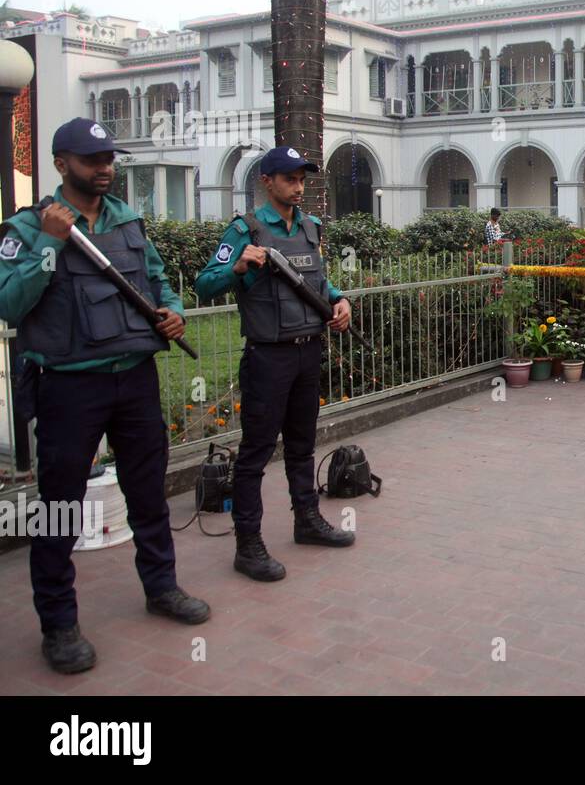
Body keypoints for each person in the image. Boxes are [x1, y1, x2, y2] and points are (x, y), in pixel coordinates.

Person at [0, 118, 210, 674]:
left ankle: (161, 587)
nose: (105, 168)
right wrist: (49, 239)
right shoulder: (26, 228)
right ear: (61, 162)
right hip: (70, 385)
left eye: (109, 158)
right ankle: (59, 623)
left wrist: (173, 312)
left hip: (134, 377)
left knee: (148, 493)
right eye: (92, 159)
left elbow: (158, 281)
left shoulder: (127, 222)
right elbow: (9, 303)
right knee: (61, 507)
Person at [196, 146, 356, 583]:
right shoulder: (244, 230)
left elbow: (318, 280)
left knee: (303, 445)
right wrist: (239, 266)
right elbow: (205, 283)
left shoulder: (310, 226)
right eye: (288, 178)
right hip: (268, 356)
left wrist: (339, 298)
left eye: (302, 177)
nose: (298, 185)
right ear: (267, 181)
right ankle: (248, 545)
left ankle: (307, 521)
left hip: (308, 351)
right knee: (255, 454)